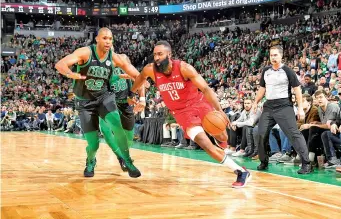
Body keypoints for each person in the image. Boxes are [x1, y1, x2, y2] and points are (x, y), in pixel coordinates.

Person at [130, 41, 251, 188]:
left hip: (199, 104)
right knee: (205, 144)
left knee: (221, 136)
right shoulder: (150, 70)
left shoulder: (184, 68)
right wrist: (133, 93)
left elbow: (206, 89)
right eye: (155, 54)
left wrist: (219, 110)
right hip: (182, 114)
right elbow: (140, 77)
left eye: (160, 54)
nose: (156, 57)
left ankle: (223, 144)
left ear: (169, 54)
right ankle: (240, 171)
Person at [55, 27, 143, 178]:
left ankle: (127, 160)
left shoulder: (114, 57)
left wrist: (143, 80)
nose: (108, 41)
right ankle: (90, 160)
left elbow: (132, 71)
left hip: (104, 97)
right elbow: (60, 65)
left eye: (110, 39)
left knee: (117, 123)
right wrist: (71, 74)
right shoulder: (85, 52)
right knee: (93, 144)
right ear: (97, 39)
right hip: (85, 102)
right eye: (104, 38)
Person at [253, 45, 312, 174]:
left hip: (284, 106)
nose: (273, 57)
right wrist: (255, 102)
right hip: (268, 106)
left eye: (275, 55)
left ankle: (306, 163)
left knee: (293, 134)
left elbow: (297, 89)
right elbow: (262, 89)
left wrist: (300, 108)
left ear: (281, 56)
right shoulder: (266, 71)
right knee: (260, 133)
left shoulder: (288, 71)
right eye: (271, 55)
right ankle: (264, 161)